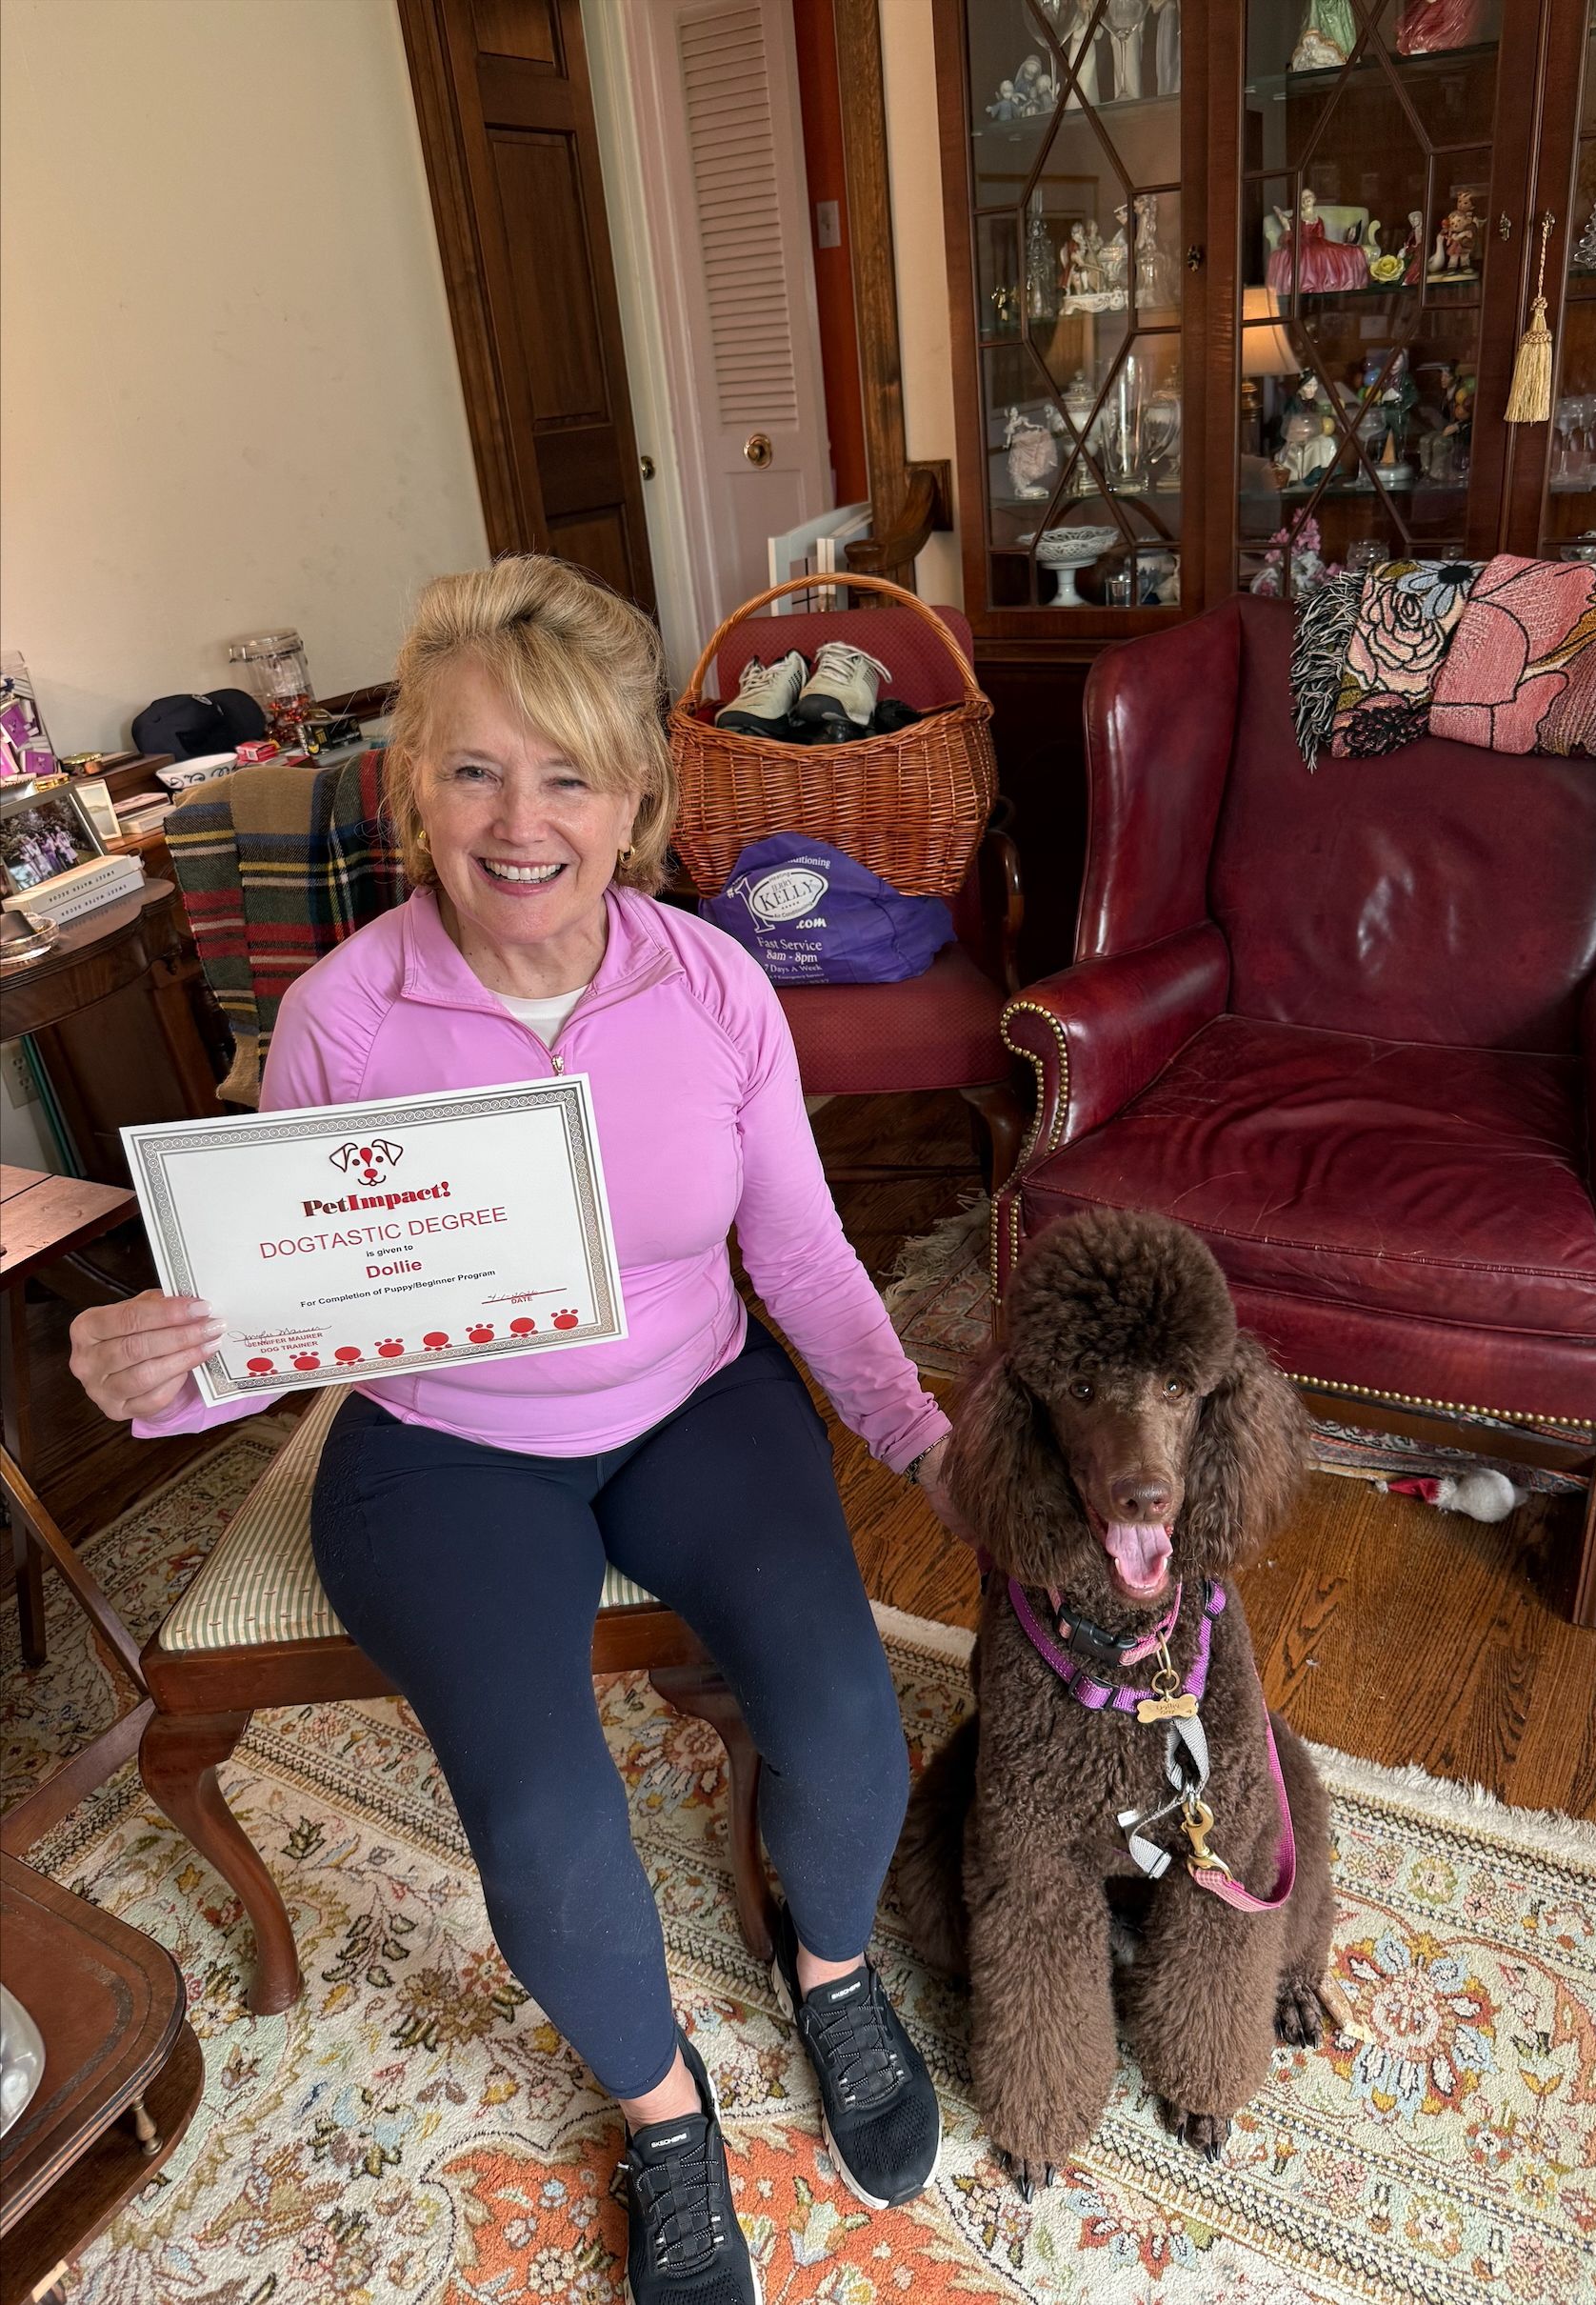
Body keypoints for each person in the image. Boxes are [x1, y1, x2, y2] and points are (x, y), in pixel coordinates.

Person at [69, 555, 965, 2304]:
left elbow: (801, 1253)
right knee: (545, 1828)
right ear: (414, 787)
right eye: (473, 768)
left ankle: (834, 1980)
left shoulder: (711, 989)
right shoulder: (343, 1017)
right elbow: (289, 1328)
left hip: (696, 1400)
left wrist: (934, 1449)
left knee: (852, 1719)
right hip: (444, 1450)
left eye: (567, 772)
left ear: (637, 798)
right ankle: (664, 2119)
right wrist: (171, 1368)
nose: (520, 820)